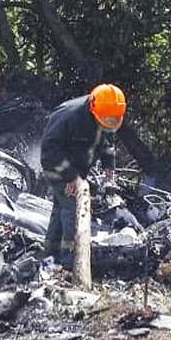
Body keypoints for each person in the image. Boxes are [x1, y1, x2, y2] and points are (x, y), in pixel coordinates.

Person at [39, 84, 125, 267]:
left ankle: (49, 254)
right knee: (73, 206)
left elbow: (108, 141)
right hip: (57, 164)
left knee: (60, 207)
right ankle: (71, 263)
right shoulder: (70, 116)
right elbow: (49, 151)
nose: (109, 123)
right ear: (93, 108)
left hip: (78, 168)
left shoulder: (106, 114)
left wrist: (110, 169)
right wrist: (71, 177)